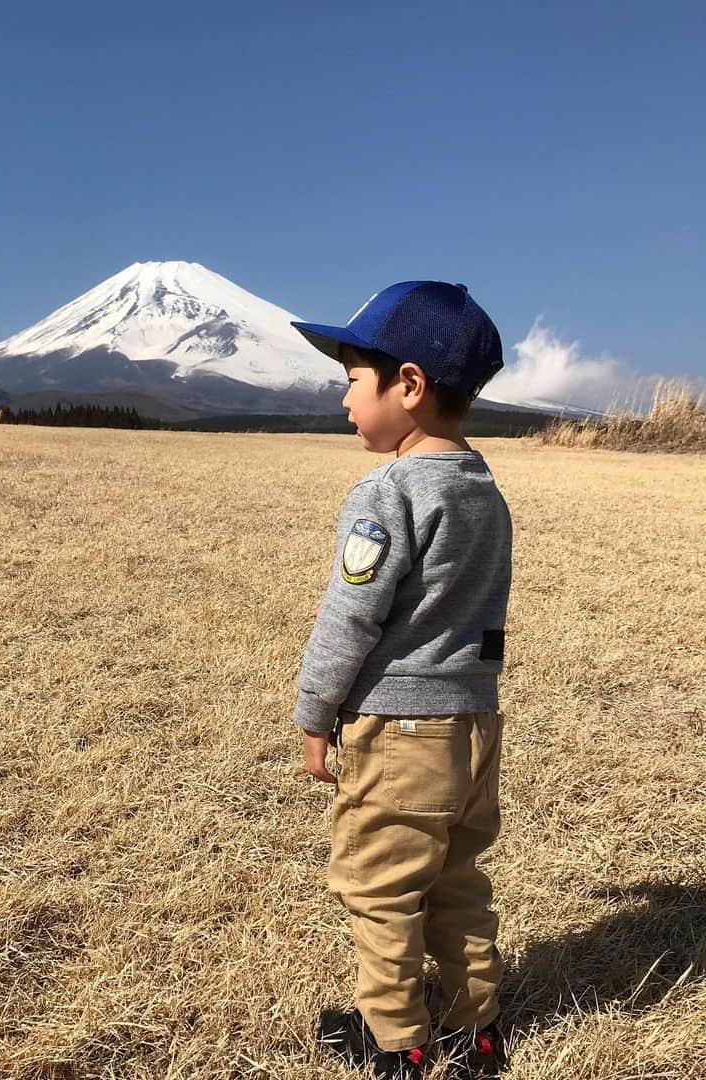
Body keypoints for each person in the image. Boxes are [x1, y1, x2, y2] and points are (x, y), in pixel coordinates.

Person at [288, 281, 513, 1080]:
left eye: (352, 378)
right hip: (474, 731)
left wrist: (315, 712)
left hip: (401, 735)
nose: (344, 398)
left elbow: (349, 615)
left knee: (381, 892)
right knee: (458, 883)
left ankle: (396, 1043)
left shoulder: (388, 491)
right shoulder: (484, 487)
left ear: (408, 386)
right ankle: (475, 1028)